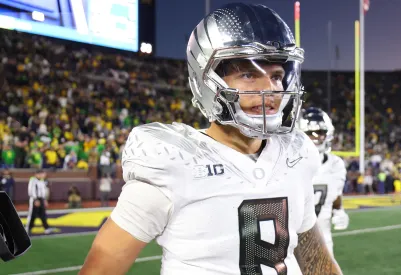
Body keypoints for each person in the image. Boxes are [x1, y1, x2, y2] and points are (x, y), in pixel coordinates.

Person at [80, 3, 342, 275]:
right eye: (249, 74)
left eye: (277, 76)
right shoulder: (173, 160)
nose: (270, 89)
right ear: (207, 79)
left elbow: (316, 262)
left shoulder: (296, 155)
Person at [297, 107, 349, 257]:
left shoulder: (336, 164)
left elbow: (335, 193)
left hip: (323, 239)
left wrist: (339, 210)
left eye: (320, 132)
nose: (316, 138)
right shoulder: (289, 163)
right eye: (310, 133)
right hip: (292, 240)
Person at [25, 170, 55, 235]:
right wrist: (35, 199)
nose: (43, 175)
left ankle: (46, 228)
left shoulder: (41, 181)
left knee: (43, 214)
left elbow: (43, 191)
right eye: (41, 174)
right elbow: (31, 190)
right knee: (32, 214)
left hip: (41, 199)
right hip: (35, 199)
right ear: (37, 174)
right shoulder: (33, 180)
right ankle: (28, 228)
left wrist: (44, 200)